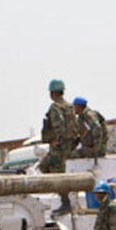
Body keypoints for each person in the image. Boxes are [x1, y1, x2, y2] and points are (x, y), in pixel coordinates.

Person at [39, 79, 78, 215]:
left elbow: (58, 124)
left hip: (59, 147)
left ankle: (65, 201)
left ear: (52, 93)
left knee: (48, 169)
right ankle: (63, 196)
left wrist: (57, 140)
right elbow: (74, 125)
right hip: (69, 145)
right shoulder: (69, 106)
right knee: (59, 172)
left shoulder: (55, 107)